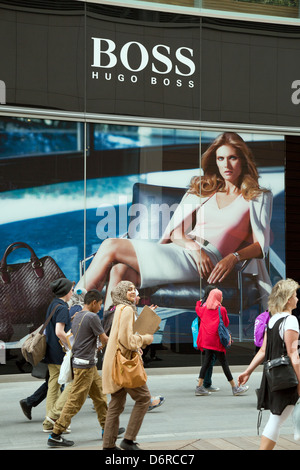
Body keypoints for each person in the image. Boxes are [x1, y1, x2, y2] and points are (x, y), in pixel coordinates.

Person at [76, 132, 273, 311]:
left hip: (209, 260)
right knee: (120, 271)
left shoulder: (256, 197)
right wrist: (194, 248)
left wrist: (233, 257)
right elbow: (176, 233)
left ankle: (73, 307)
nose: (226, 165)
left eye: (233, 158)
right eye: (221, 158)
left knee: (110, 245)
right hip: (187, 251)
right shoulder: (204, 189)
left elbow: (260, 246)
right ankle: (113, 339)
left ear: (243, 161)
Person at [238, 279, 300, 450]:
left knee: (276, 418)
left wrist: (247, 371)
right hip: (287, 377)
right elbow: (293, 353)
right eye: (295, 295)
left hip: (275, 376)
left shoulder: (272, 320)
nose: (297, 299)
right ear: (288, 299)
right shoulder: (290, 320)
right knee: (277, 419)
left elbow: (263, 351)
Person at [47, 290, 113, 448]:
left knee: (100, 397)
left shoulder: (77, 316)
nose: (101, 307)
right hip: (85, 366)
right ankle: (56, 434)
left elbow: (82, 340)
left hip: (85, 364)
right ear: (94, 302)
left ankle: (108, 429)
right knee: (75, 401)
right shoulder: (92, 317)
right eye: (100, 303)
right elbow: (104, 339)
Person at [102, 281, 154, 450]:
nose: (133, 291)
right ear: (122, 292)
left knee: (116, 405)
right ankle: (129, 440)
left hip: (115, 363)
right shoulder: (127, 310)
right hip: (125, 365)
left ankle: (108, 445)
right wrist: (145, 339)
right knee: (144, 398)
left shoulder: (118, 308)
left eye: (134, 289)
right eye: (128, 289)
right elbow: (127, 340)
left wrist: (146, 319)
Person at [195, 288, 248, 396]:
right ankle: (235, 388)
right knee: (224, 363)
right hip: (217, 341)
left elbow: (198, 310)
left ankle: (199, 387)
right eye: (221, 296)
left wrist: (199, 302)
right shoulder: (221, 309)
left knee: (206, 363)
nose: (222, 298)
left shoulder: (204, 309)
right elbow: (226, 323)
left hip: (207, 341)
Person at [42, 278, 74, 433]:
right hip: (60, 353)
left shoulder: (53, 305)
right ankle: (56, 419)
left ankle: (50, 420)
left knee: (53, 386)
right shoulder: (62, 307)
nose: (73, 292)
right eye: (71, 289)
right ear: (66, 291)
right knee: (70, 385)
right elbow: (59, 331)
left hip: (50, 351)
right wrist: (70, 346)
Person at [195, 284, 219, 393]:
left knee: (210, 359)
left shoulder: (202, 304)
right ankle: (206, 382)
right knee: (210, 360)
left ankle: (203, 378)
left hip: (205, 336)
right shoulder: (209, 305)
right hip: (210, 337)